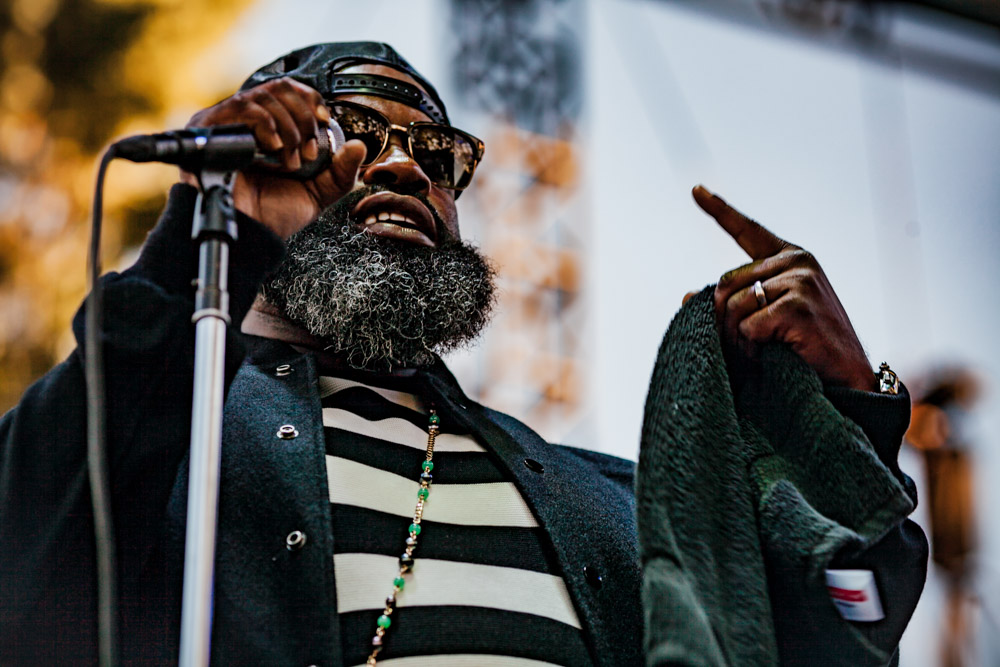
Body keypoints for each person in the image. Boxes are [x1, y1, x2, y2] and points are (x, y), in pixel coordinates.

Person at [0, 42, 926, 666]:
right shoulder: (171, 441)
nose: (403, 168)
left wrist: (847, 405)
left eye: (435, 157)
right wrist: (207, 235)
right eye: (352, 138)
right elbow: (35, 528)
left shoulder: (612, 501)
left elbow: (842, 620)